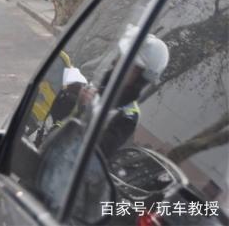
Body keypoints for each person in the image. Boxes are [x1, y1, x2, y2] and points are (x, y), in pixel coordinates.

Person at [45, 24, 170, 156]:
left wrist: (85, 110)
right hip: (49, 150)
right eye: (120, 58)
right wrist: (75, 97)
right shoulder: (102, 87)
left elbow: (93, 152)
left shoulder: (128, 117)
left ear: (141, 78)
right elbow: (57, 118)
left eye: (128, 64)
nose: (117, 64)